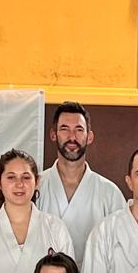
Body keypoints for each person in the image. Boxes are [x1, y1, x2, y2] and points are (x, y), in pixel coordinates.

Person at [38, 102, 127, 260]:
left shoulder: (109, 193)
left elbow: (121, 249)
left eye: (79, 130)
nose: (72, 137)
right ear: (53, 135)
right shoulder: (36, 187)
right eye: (64, 129)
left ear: (89, 137)